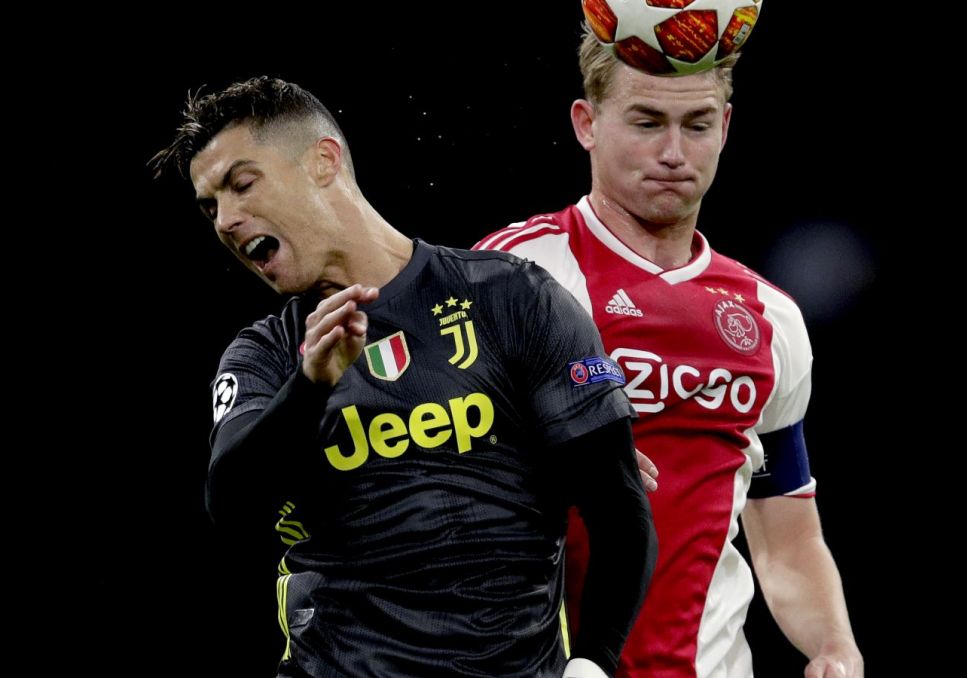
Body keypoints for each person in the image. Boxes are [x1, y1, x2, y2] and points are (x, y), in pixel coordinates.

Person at [151, 76, 655, 678]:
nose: (226, 221)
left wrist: (593, 663)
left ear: (323, 161)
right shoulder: (264, 355)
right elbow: (231, 507)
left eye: (241, 184)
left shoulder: (513, 299)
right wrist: (311, 387)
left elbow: (620, 507)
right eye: (210, 207)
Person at [473, 28, 864, 678]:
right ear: (586, 122)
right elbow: (429, 472)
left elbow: (786, 536)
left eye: (698, 124)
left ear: (727, 127)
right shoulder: (512, 274)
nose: (675, 153)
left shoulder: (772, 322)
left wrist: (833, 646)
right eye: (648, 122)